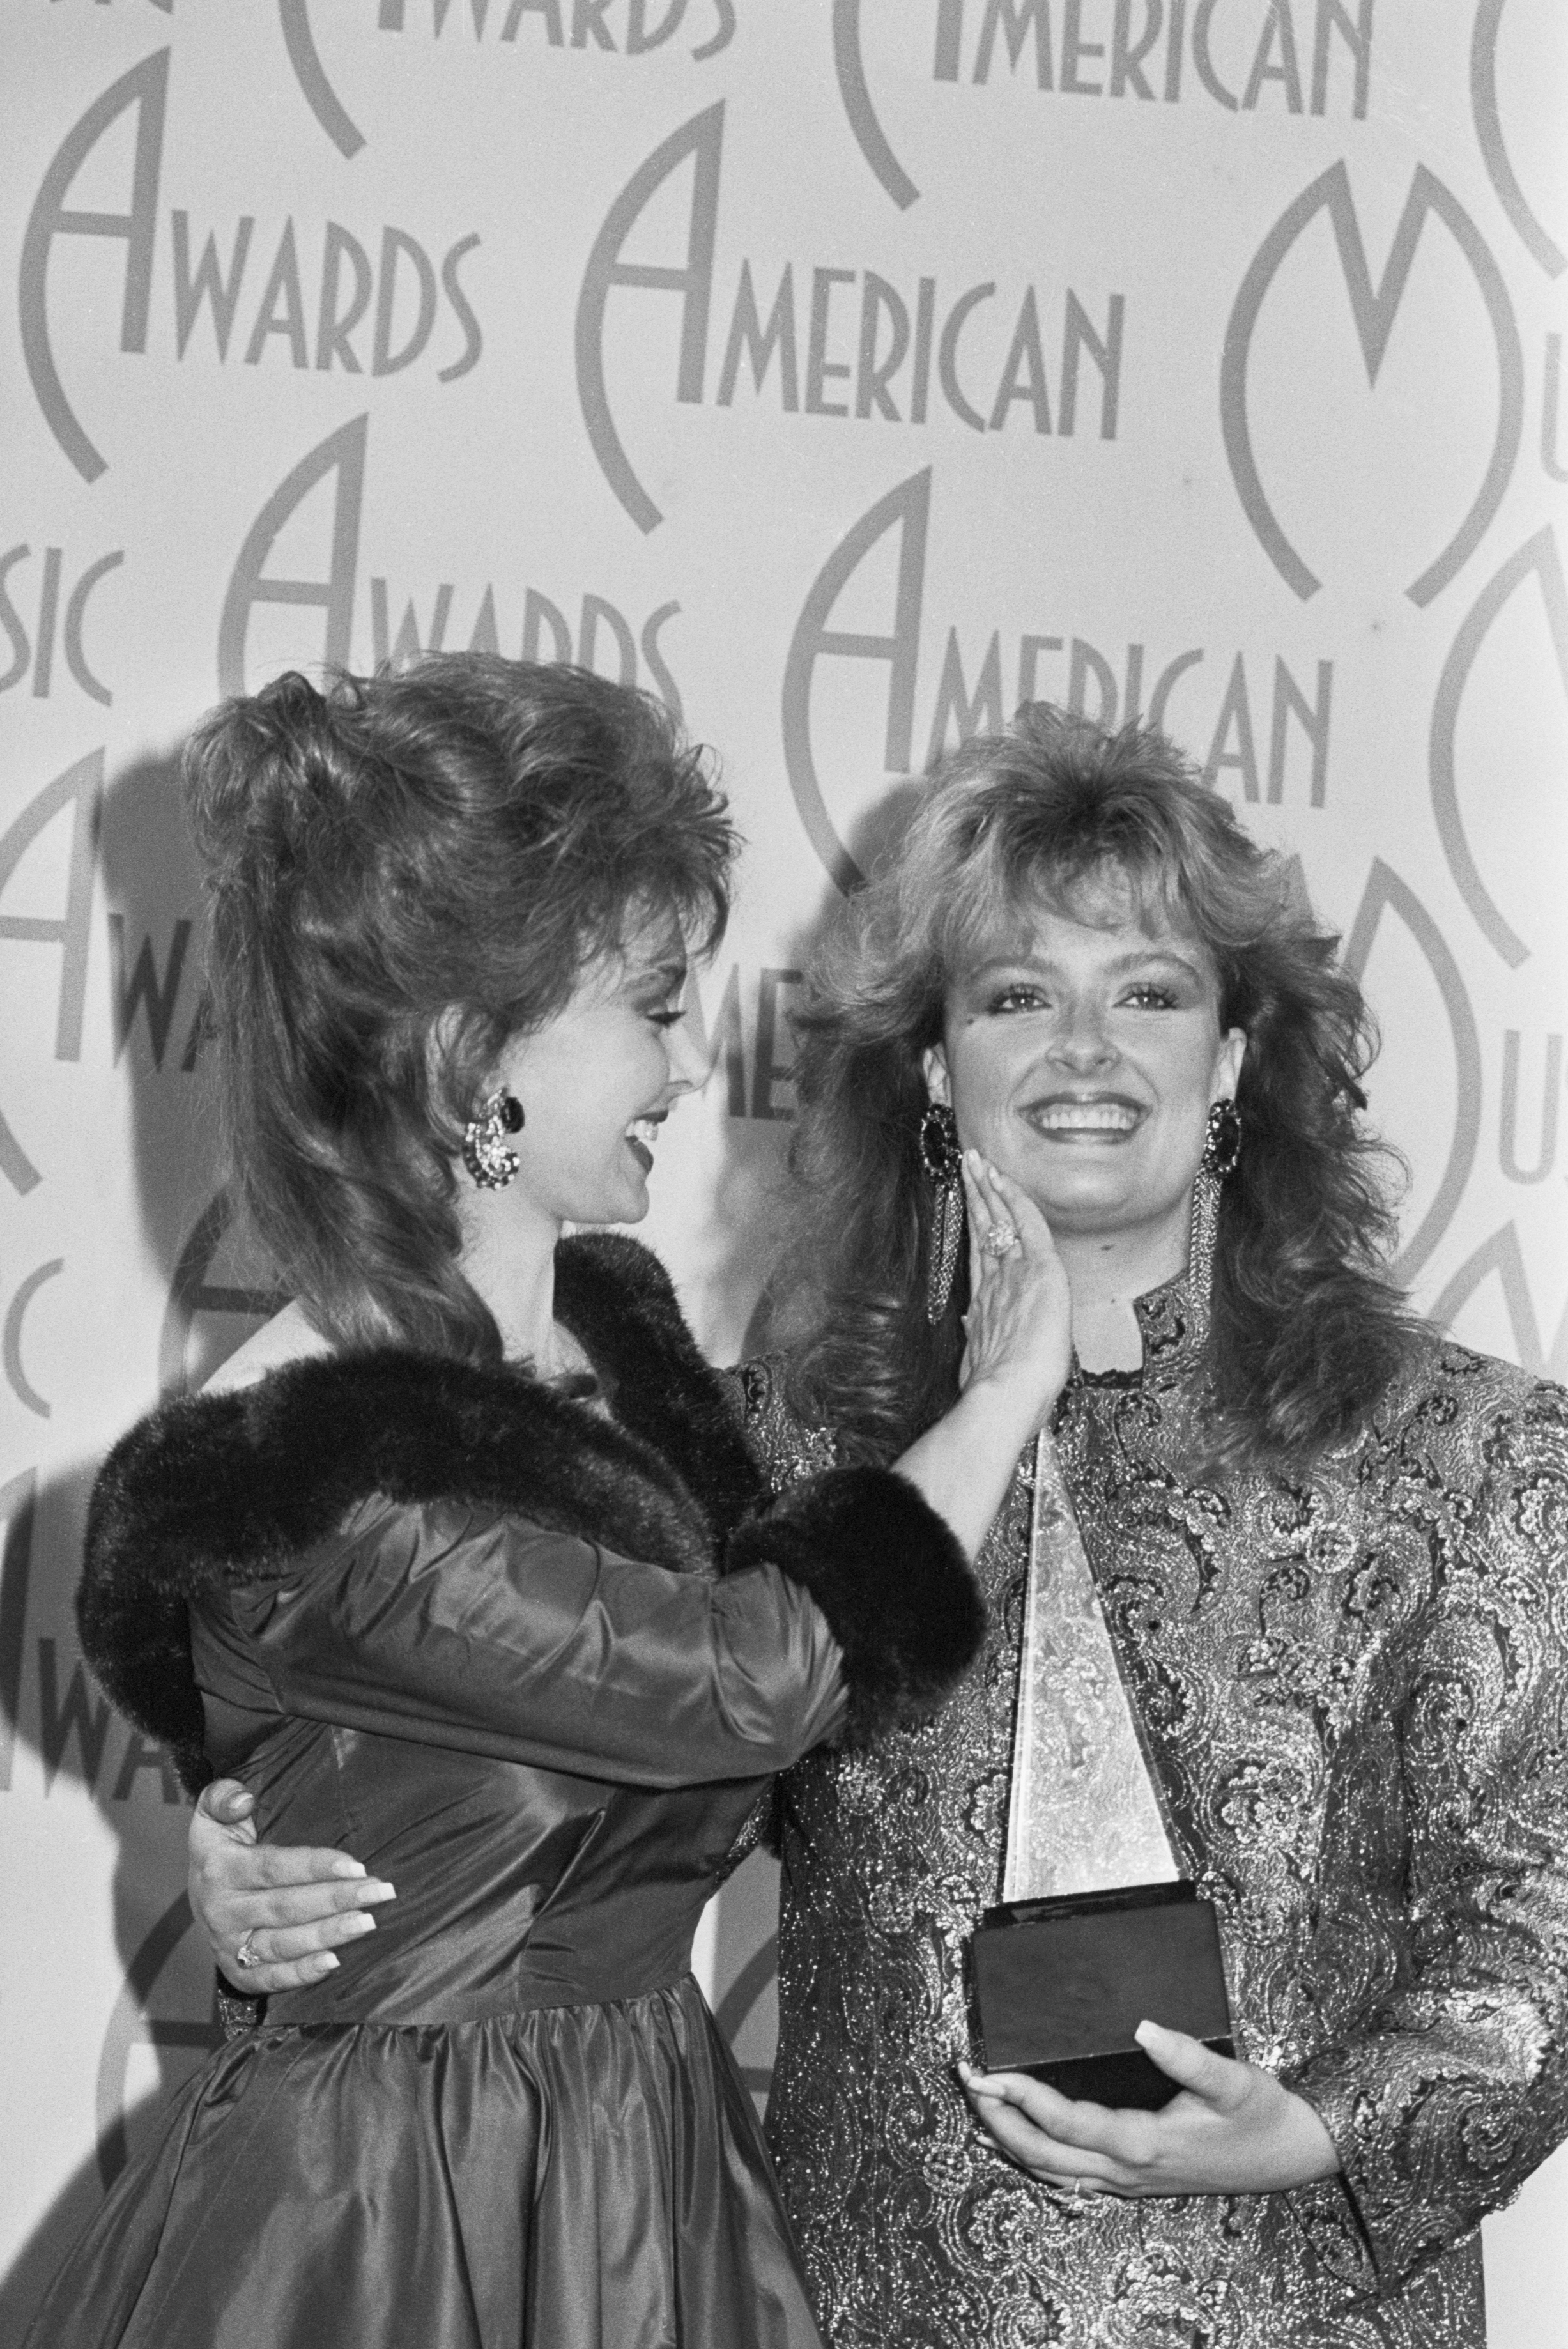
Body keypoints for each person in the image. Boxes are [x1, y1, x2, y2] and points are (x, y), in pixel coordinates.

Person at [187, 706, 1568, 2346]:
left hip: (1307, 2308)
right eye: (1014, 997)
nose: (1084, 1050)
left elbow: (1541, 1927)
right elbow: (568, 1809)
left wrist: (1319, 2133)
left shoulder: (1475, 1458)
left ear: (1237, 1059)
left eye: (1148, 992)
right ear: (932, 1066)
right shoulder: (764, 1446)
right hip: (858, 2307)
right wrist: (279, 1863)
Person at [35, 656, 1070, 2349]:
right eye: (652, 1006)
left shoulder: (612, 1343)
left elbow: (782, 1698)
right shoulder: (331, 1481)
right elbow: (744, 1674)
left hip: (633, 2175)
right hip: (397, 2214)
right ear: (469, 1058)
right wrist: (1010, 1381)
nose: (687, 1060)